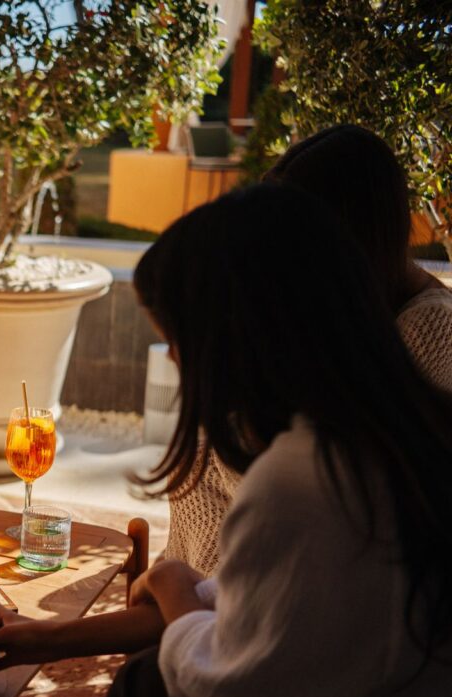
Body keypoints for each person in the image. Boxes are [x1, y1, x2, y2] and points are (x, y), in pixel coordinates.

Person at [0, 184, 452, 697]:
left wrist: (171, 580)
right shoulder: (403, 431)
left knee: (147, 695)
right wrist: (44, 638)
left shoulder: (308, 478)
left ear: (241, 337)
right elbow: (268, 609)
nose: (173, 360)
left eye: (177, 341)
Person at [165, 124, 452, 575]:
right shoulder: (335, 305)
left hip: (300, 589)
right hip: (222, 589)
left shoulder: (428, 329)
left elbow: (327, 493)